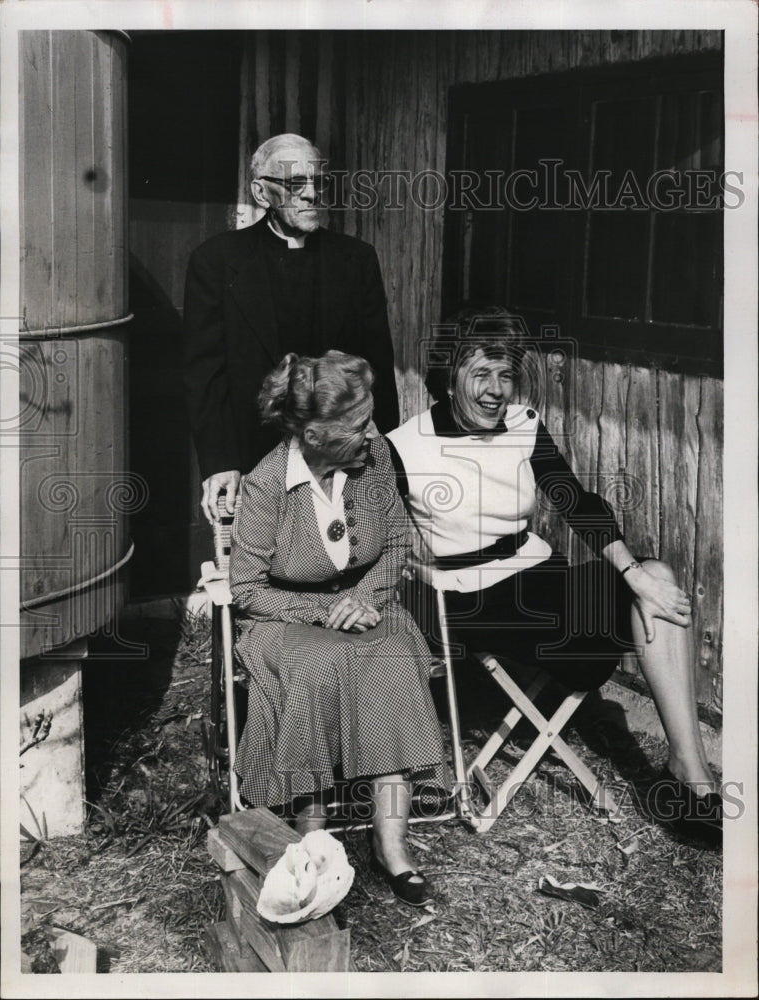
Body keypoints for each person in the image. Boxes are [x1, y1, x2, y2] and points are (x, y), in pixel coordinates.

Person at [387, 307, 722, 845]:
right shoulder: (403, 446)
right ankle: (688, 779)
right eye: (482, 375)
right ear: (451, 375)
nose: (497, 390)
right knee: (609, 614)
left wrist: (632, 572)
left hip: (538, 573)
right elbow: (361, 523)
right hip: (470, 598)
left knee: (655, 579)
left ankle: (689, 770)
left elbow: (576, 501)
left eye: (506, 375)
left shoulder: (523, 425)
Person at [229, 350, 447, 906]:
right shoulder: (266, 487)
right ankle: (313, 845)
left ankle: (390, 845)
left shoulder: (372, 465)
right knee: (316, 667)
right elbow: (247, 590)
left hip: (365, 607)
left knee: (393, 659)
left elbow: (398, 541)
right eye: (356, 426)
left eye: (369, 417)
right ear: (313, 433)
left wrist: (365, 597)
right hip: (283, 618)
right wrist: (326, 612)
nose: (373, 434)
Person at [183, 133, 399, 524]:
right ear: (261, 192)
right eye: (296, 184)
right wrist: (220, 461)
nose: (311, 194)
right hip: (255, 459)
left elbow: (377, 364)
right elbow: (205, 373)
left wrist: (383, 455)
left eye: (318, 181)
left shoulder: (357, 260)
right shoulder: (216, 262)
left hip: (339, 456)